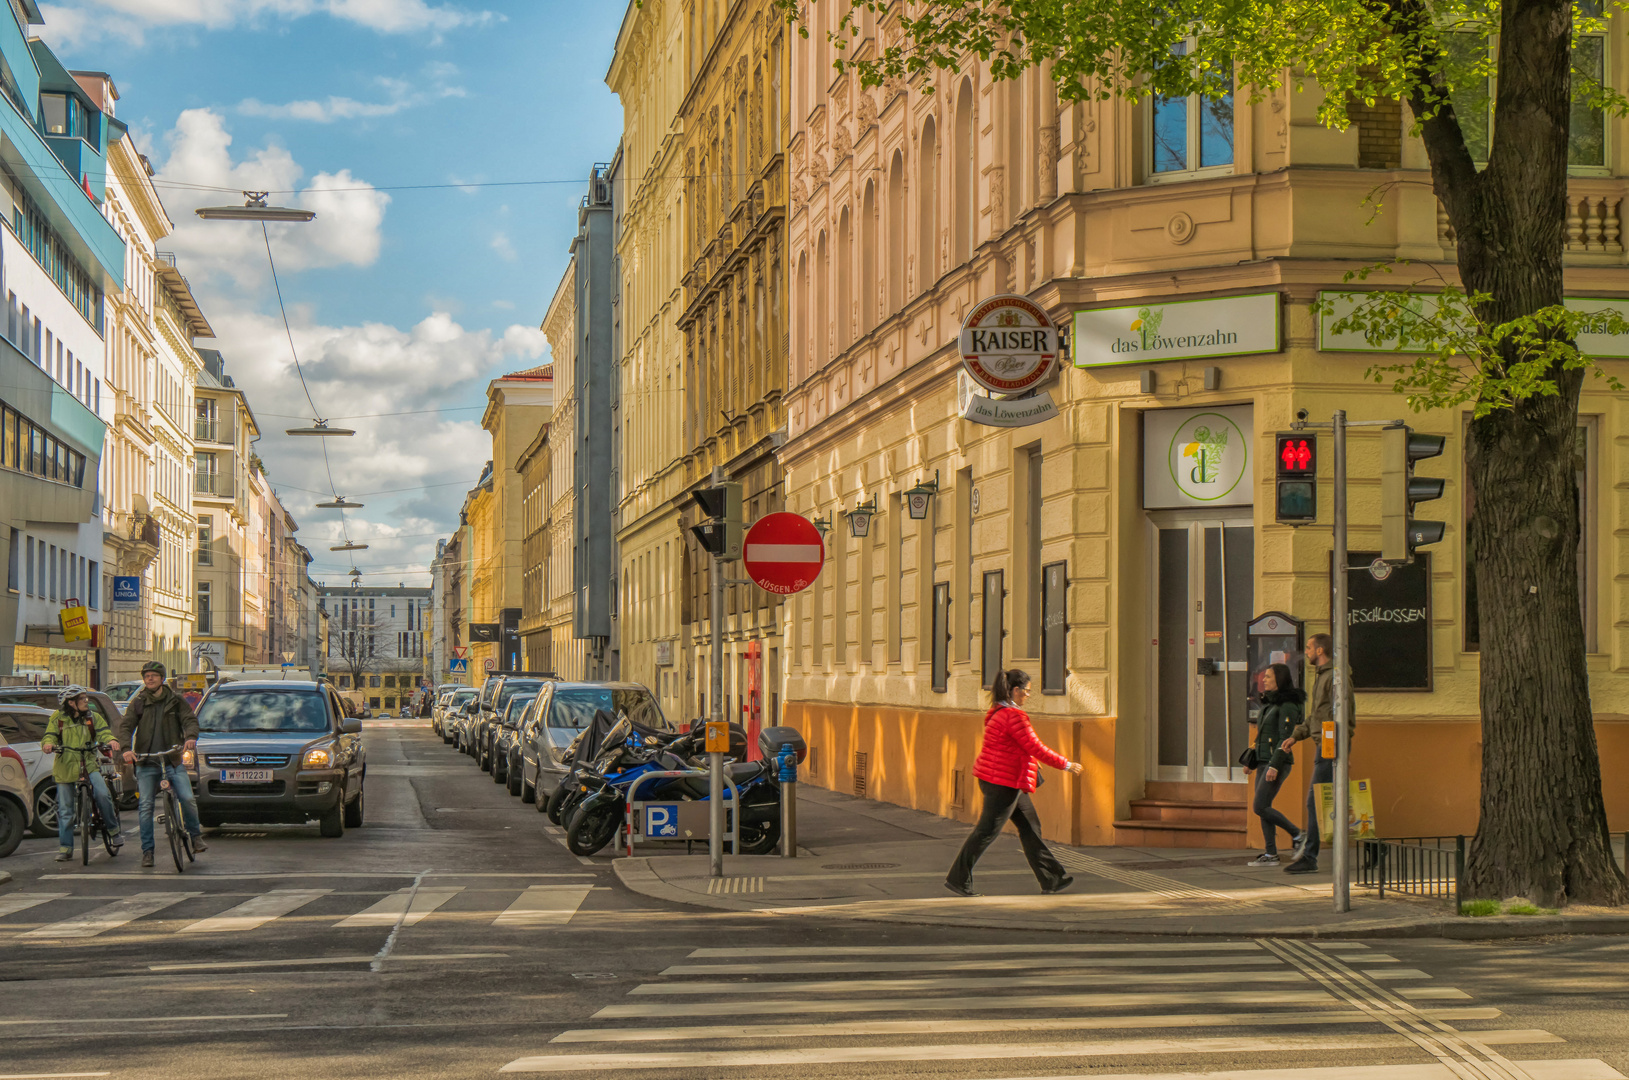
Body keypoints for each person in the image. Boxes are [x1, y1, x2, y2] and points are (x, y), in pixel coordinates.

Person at [946, 668, 1085, 897]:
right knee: (987, 831)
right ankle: (958, 879)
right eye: (1027, 691)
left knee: (1031, 827)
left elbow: (1012, 747)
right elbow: (1034, 746)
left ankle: (1052, 879)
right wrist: (1066, 764)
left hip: (1004, 779)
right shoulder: (1014, 716)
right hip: (1003, 782)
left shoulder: (998, 711)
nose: (1029, 695)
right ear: (1016, 690)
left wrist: (1028, 761)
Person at [116, 661, 206, 868]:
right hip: (146, 761)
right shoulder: (138, 702)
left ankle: (195, 837)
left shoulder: (175, 700)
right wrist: (126, 748)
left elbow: (190, 720)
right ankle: (148, 851)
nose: (149, 678)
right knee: (146, 805)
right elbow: (126, 726)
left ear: (162, 678)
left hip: (172, 759)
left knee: (187, 798)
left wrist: (191, 737)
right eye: (146, 676)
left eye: (153, 675)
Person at [1279, 633, 1354, 874]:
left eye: (1310, 647)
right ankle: (1373, 846)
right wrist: (1296, 735)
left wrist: (1337, 748)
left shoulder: (1334, 677)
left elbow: (1343, 715)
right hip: (1325, 742)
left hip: (1330, 744)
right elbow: (1317, 715)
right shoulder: (1323, 676)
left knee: (1316, 800)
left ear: (1321, 650)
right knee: (1340, 800)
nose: (1307, 651)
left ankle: (1309, 856)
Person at [38, 685, 124, 861]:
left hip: (89, 763)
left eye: (86, 698)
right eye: (82, 699)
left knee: (102, 794)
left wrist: (112, 740)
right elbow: (49, 735)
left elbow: (104, 732)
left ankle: (113, 831)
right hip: (66, 766)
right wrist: (48, 744)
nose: (87, 701)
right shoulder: (58, 718)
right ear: (71, 703)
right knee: (65, 810)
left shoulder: (93, 717)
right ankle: (66, 848)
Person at [1246, 662, 1304, 866]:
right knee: (1264, 807)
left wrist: (1274, 765)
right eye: (1264, 676)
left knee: (1259, 806)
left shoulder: (1287, 704)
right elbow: (1262, 735)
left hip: (1276, 762)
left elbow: (1284, 738)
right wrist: (1251, 759)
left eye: (1268, 677)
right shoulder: (1269, 704)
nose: (1264, 679)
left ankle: (1298, 834)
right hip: (1263, 761)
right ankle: (1271, 854)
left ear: (1279, 680)